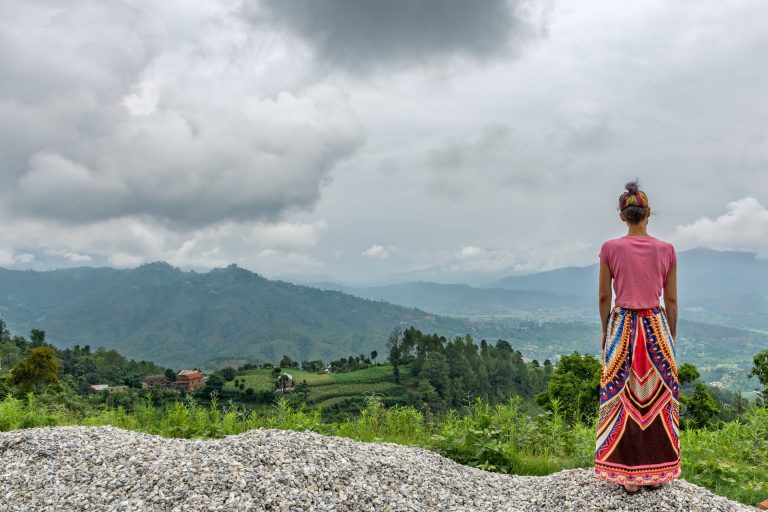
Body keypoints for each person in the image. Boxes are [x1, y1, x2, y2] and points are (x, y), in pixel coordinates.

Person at [594, 181, 680, 493]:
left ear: (622, 216)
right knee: (658, 399)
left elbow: (605, 297)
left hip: (623, 326)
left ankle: (627, 477)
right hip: (655, 327)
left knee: (621, 399)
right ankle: (657, 473)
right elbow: (671, 301)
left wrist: (607, 333)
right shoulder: (667, 250)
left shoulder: (609, 249)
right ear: (648, 214)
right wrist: (670, 335)